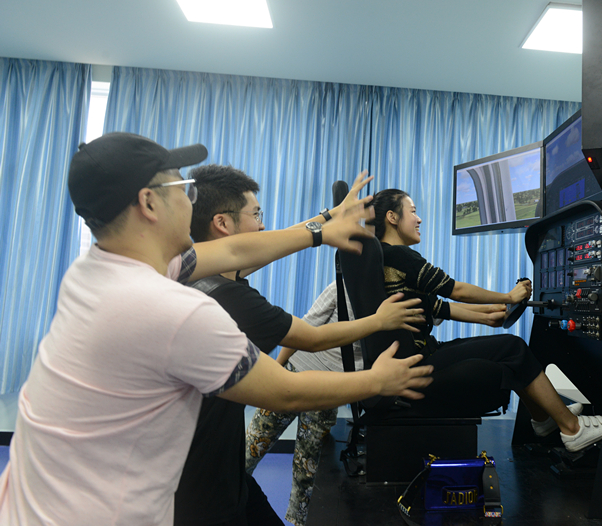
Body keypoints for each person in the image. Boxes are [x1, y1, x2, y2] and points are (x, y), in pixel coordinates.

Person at [0, 133, 433, 526]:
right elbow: (285, 391)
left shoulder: (100, 268)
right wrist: (378, 380)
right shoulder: (173, 311)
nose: (191, 200)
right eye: (182, 187)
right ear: (149, 203)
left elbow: (234, 250)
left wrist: (322, 226)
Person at [175, 164, 425, 526]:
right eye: (256, 215)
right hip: (204, 486)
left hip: (216, 471)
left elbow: (267, 246)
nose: (264, 227)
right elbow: (306, 349)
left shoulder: (191, 272)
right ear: (222, 223)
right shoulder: (230, 298)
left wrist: (327, 218)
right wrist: (379, 344)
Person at [366, 188, 602, 451]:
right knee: (512, 347)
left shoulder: (381, 258)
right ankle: (573, 429)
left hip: (415, 358)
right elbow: (455, 290)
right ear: (392, 217)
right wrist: (509, 296)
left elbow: (441, 308)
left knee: (507, 350)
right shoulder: (399, 256)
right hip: (416, 364)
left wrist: (489, 315)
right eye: (412, 211)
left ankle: (544, 419)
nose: (419, 218)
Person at [244, 281, 358, 526]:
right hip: (299, 377)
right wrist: (277, 369)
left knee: (305, 474)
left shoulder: (392, 296)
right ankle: (224, 507)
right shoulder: (342, 287)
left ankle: (297, 522)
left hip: (325, 390)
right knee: (251, 449)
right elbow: (303, 328)